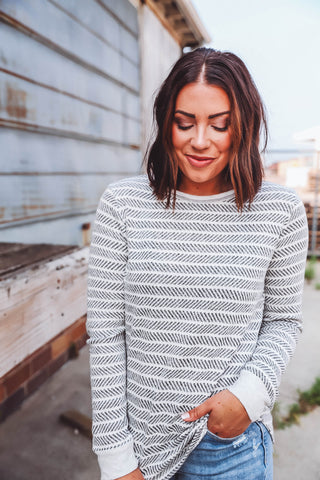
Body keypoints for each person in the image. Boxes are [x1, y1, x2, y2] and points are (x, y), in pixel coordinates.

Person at [86, 47, 309, 480]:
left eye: (220, 125)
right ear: (166, 122)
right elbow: (107, 334)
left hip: (229, 446)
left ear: (243, 127)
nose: (200, 140)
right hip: (140, 445)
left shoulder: (279, 211)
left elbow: (283, 321)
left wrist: (248, 395)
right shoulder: (123, 205)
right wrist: (115, 455)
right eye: (184, 123)